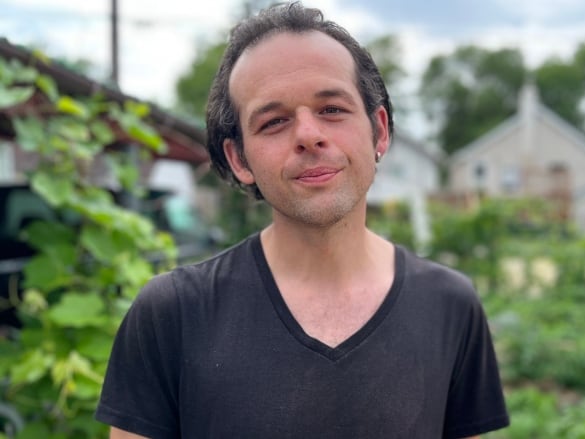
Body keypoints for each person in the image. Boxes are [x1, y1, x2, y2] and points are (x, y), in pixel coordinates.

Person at [95, 2, 509, 438]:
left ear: (380, 130)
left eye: (332, 109)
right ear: (239, 159)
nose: (309, 135)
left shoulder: (450, 305)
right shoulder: (171, 315)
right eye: (274, 121)